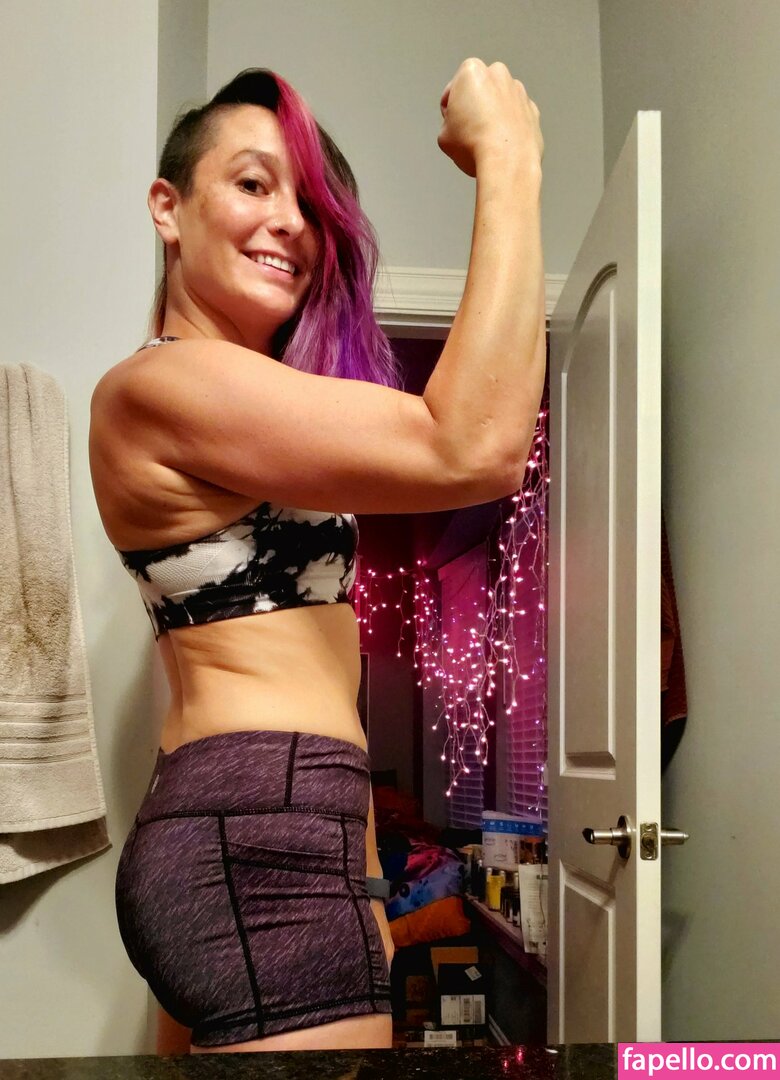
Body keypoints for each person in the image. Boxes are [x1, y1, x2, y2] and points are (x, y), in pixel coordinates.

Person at [89, 58, 545, 1054]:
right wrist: (510, 154)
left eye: (309, 201)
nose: (291, 221)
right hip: (261, 833)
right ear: (169, 209)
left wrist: (365, 881)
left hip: (276, 821)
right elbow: (477, 446)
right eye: (253, 183)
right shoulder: (158, 387)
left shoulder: (241, 408)